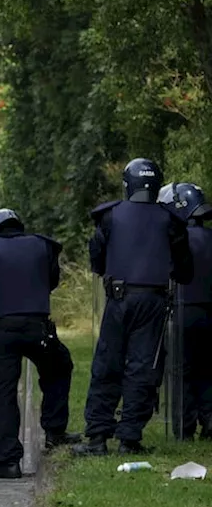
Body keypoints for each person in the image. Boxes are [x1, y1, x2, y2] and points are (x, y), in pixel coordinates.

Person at [76, 158, 192, 456]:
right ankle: (129, 439)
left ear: (127, 185)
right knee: (142, 368)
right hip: (154, 301)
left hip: (118, 297)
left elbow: (97, 259)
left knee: (107, 363)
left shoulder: (110, 215)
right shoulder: (171, 220)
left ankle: (98, 438)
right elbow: (185, 270)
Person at [0, 208, 79, 479]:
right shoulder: (43, 246)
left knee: (1, 391)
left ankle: (8, 462)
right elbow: (51, 281)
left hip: (3, 331)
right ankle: (54, 431)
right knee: (59, 367)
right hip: (38, 329)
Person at [158, 183, 212, 440]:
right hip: (209, 311)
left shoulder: (175, 240)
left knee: (182, 371)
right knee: (208, 369)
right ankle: (210, 421)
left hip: (184, 311)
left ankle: (184, 427)